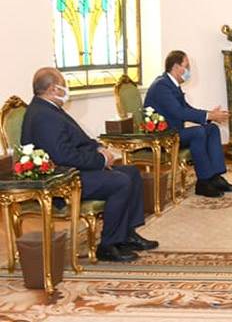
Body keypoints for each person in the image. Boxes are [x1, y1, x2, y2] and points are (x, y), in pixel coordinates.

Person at [21, 67, 158, 262]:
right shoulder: (43, 115)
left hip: (76, 169)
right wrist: (100, 160)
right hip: (63, 180)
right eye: (63, 85)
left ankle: (127, 234)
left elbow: (79, 140)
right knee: (120, 182)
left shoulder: (50, 108)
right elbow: (63, 156)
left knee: (132, 173)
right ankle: (108, 245)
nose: (66, 90)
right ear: (52, 89)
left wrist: (98, 148)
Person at [144, 50, 232, 198]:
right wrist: (209, 115)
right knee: (198, 133)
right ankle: (204, 182)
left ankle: (215, 177)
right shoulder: (161, 86)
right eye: (187, 66)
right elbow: (178, 112)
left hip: (174, 132)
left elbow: (186, 109)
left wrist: (210, 116)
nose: (189, 70)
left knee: (212, 129)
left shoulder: (171, 84)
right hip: (162, 136)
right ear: (176, 67)